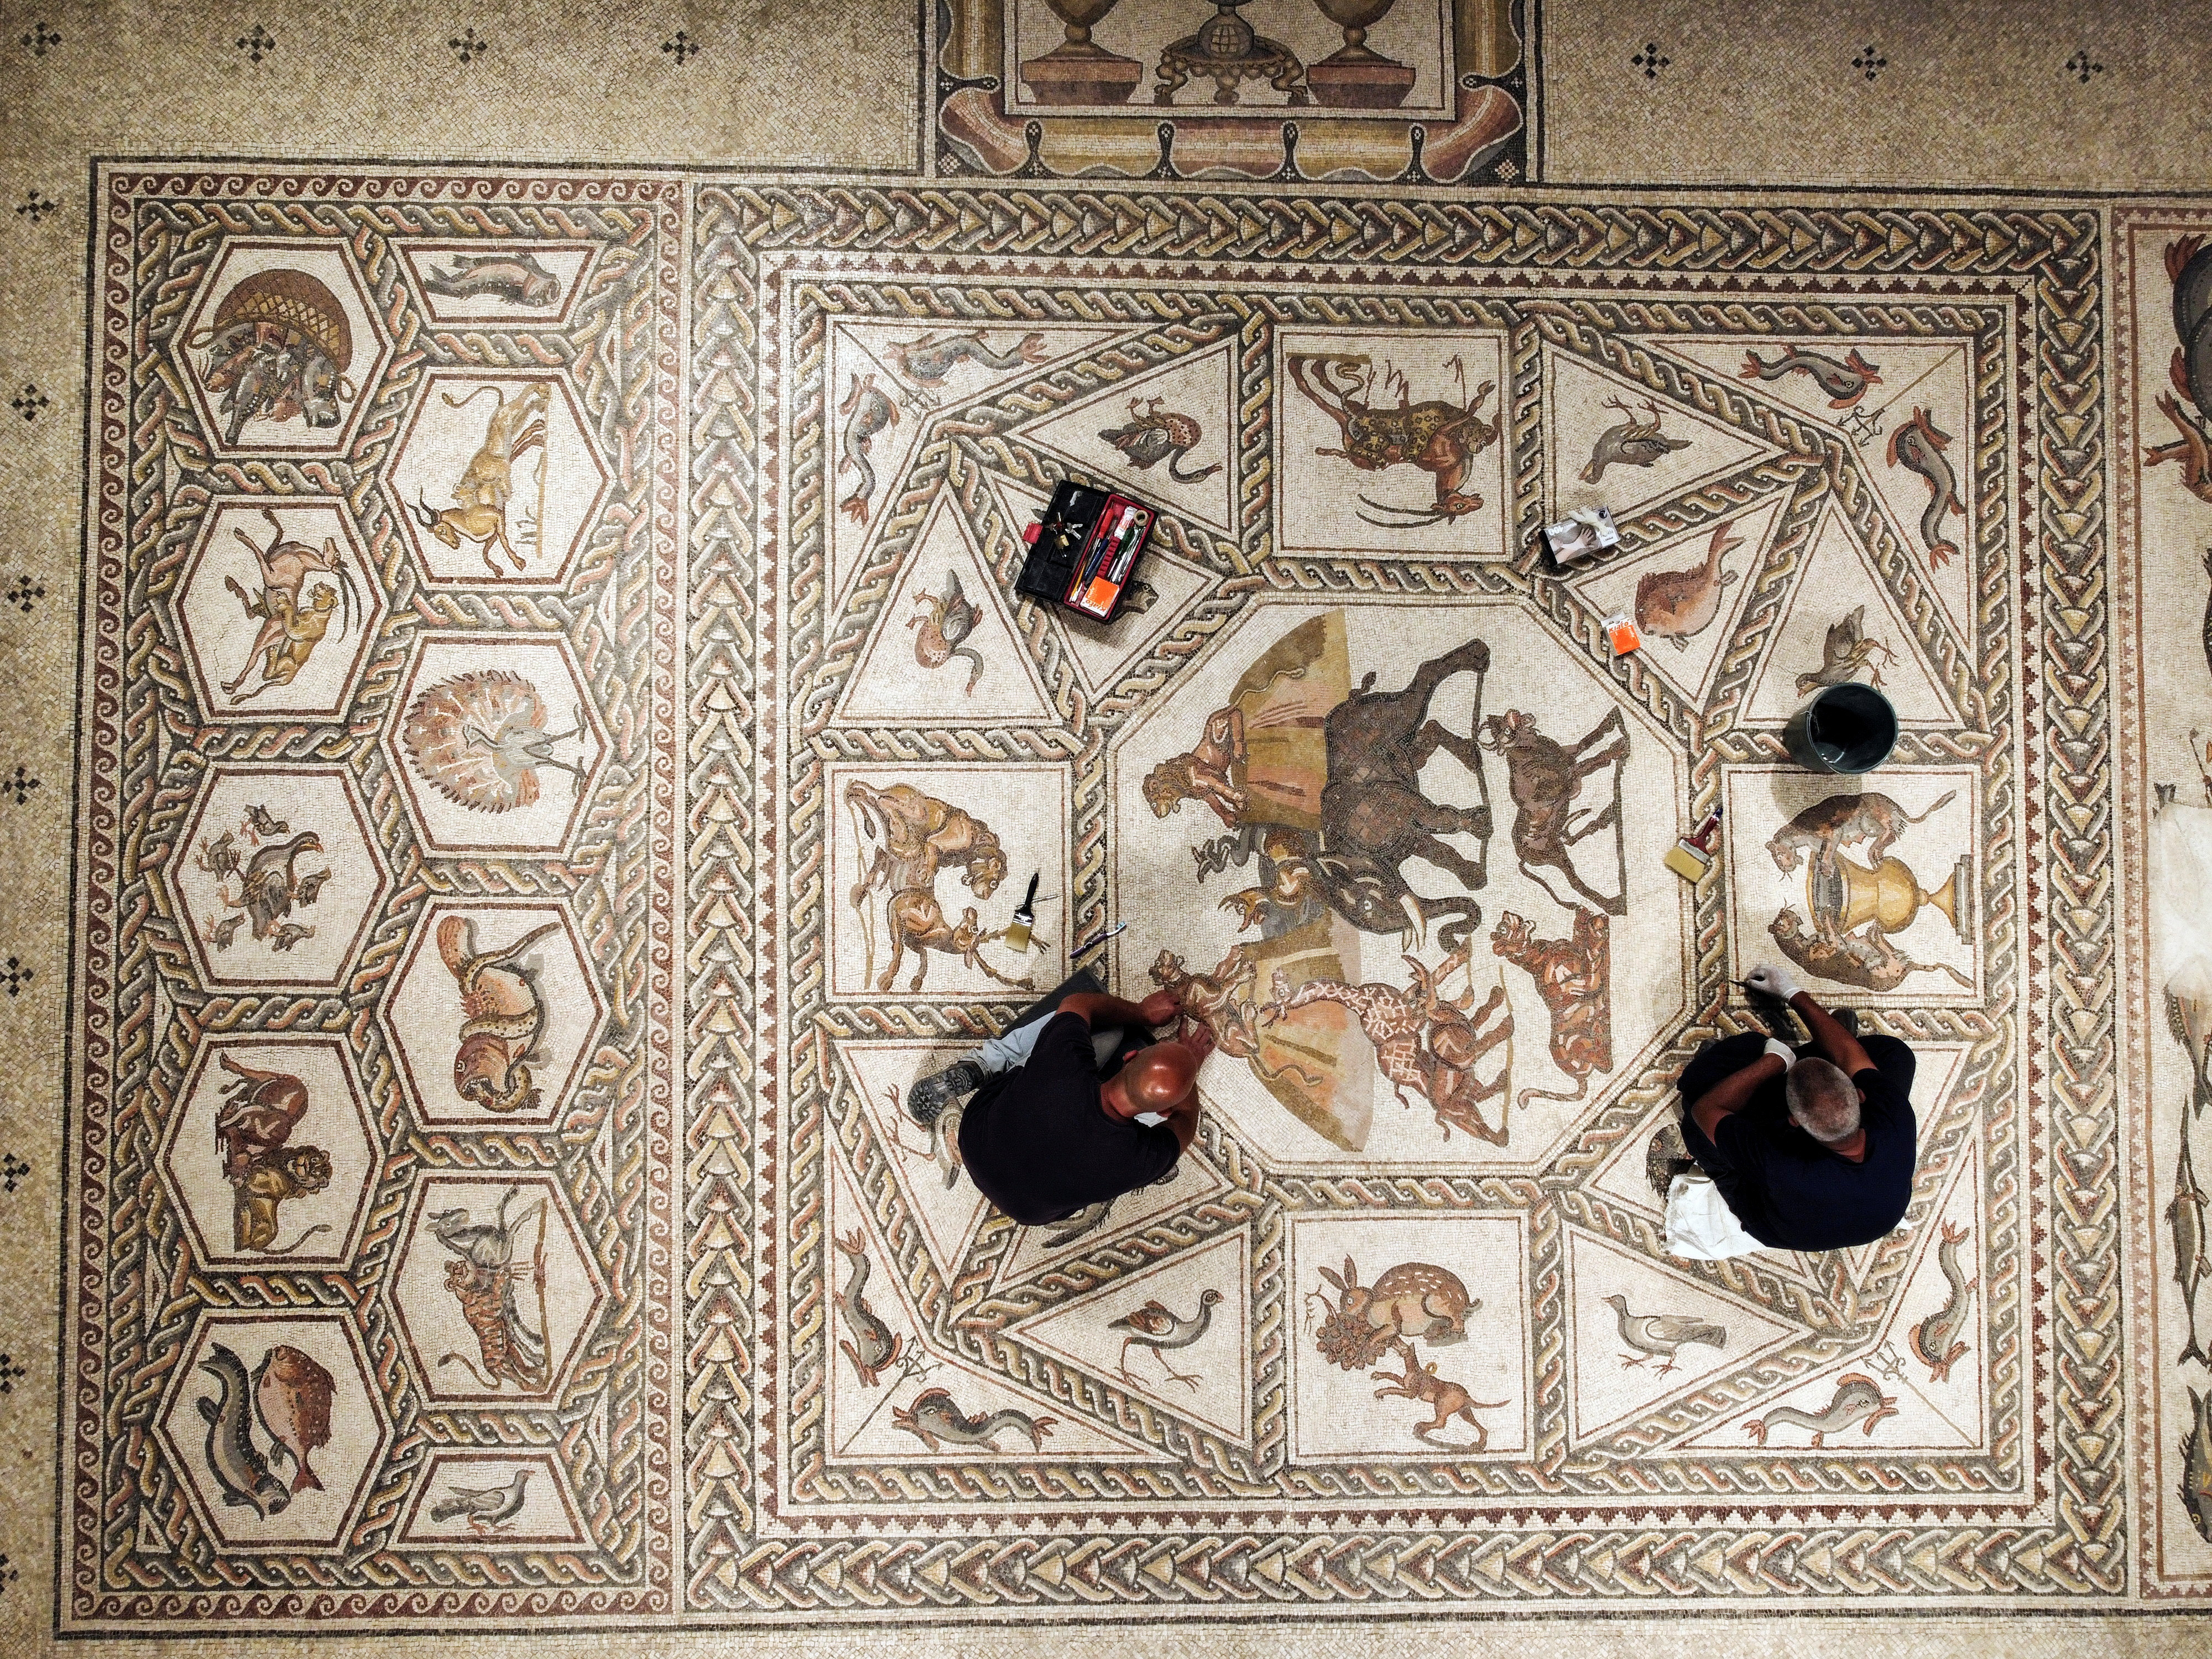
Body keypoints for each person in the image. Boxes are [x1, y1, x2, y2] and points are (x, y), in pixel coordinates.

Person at [905, 970, 1209, 1227]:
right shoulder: (1140, 1161)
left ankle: (987, 1063)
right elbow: (1188, 1121)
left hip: (975, 1137)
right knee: (1114, 1050)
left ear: (1131, 1056)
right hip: (1027, 1210)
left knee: (1095, 1028)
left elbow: (1077, 1004)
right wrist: (1190, 1066)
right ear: (1167, 1111)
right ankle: (994, 1064)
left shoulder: (1063, 1066)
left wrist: (1141, 1014)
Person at [1672, 962, 1918, 1252]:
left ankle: (1792, 1063)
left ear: (1794, 1122)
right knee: (1895, 1054)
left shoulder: (1782, 1163)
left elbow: (1706, 1111)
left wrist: (1774, 1062)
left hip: (1782, 1228)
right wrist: (1791, 991)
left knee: (1699, 1113)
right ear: (1860, 1096)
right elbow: (1849, 1056)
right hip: (1878, 1217)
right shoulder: (1896, 1118)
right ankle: (1812, 1055)